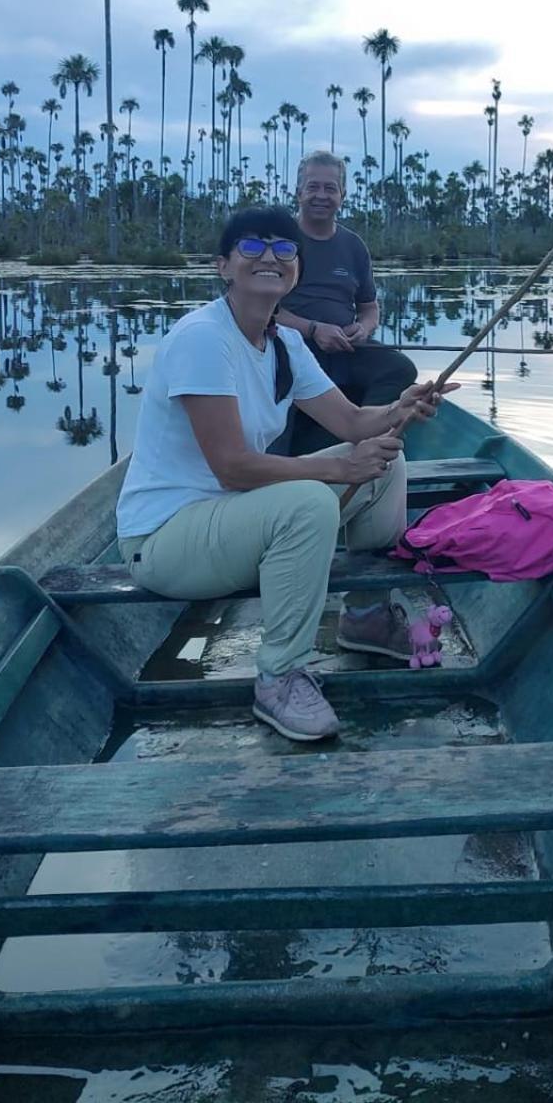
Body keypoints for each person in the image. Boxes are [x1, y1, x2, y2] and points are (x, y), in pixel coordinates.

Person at [116, 207, 455, 744]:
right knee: (309, 502)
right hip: (166, 538)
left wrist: (400, 408)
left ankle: (365, 617)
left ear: (296, 268)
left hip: (233, 523)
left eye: (283, 248)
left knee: (385, 465)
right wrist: (337, 469)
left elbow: (349, 421)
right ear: (223, 266)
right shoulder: (203, 338)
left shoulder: (284, 343)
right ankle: (279, 677)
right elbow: (232, 467)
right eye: (252, 247)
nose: (270, 257)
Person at [276, 150, 417, 451]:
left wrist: (363, 329)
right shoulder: (280, 242)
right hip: (289, 348)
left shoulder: (353, 245)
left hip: (346, 348)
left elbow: (369, 307)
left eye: (330, 188)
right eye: (313, 187)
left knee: (400, 369)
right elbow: (263, 312)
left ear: (342, 195)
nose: (321, 195)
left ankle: (364, 437)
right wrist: (313, 329)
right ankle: (311, 447)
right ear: (298, 192)